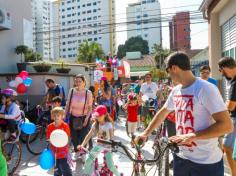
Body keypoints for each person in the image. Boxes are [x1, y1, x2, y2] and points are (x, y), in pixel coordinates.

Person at [137, 52, 233, 176]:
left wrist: (192, 136)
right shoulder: (176, 91)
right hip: (181, 159)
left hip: (206, 163)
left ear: (174, 68)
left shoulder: (206, 89)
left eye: (168, 71)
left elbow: (227, 126)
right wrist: (145, 133)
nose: (169, 75)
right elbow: (163, 113)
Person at [64, 74, 93, 152]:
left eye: (80, 81)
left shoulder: (88, 92)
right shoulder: (72, 90)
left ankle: (82, 152)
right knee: (74, 137)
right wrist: (65, 115)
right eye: (76, 81)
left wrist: (87, 118)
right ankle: (77, 152)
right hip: (73, 117)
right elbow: (68, 104)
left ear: (84, 82)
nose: (78, 83)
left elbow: (90, 107)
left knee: (83, 136)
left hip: (84, 117)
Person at [218, 57, 236, 176]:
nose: (221, 73)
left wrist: (220, 107)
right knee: (228, 147)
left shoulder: (235, 83)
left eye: (221, 70)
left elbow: (231, 106)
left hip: (235, 118)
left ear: (224, 68)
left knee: (227, 147)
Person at [46, 107, 72, 176]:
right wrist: (50, 141)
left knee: (65, 168)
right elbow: (49, 138)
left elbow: (67, 138)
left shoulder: (65, 126)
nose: (56, 117)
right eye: (54, 115)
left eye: (58, 115)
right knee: (57, 169)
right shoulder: (49, 127)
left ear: (62, 116)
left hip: (63, 152)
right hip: (55, 152)